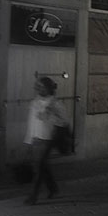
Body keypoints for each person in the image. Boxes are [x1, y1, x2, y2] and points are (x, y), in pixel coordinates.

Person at [24, 76, 67, 205]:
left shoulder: (55, 103)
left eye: (42, 87)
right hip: (36, 137)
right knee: (42, 166)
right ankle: (53, 188)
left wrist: (50, 116)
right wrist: (28, 140)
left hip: (47, 138)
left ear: (49, 88)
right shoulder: (34, 102)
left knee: (38, 166)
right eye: (38, 87)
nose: (39, 89)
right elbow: (31, 122)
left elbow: (64, 121)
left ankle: (33, 196)